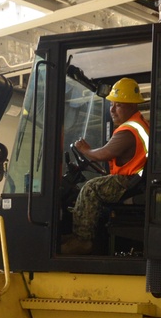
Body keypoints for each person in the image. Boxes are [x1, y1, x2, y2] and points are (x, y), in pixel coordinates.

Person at [61, 77, 150, 256]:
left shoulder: (128, 130)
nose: (112, 109)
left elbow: (104, 154)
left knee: (90, 189)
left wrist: (85, 150)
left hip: (129, 182)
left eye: (119, 105)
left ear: (132, 106)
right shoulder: (138, 124)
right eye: (112, 104)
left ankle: (83, 240)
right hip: (134, 181)